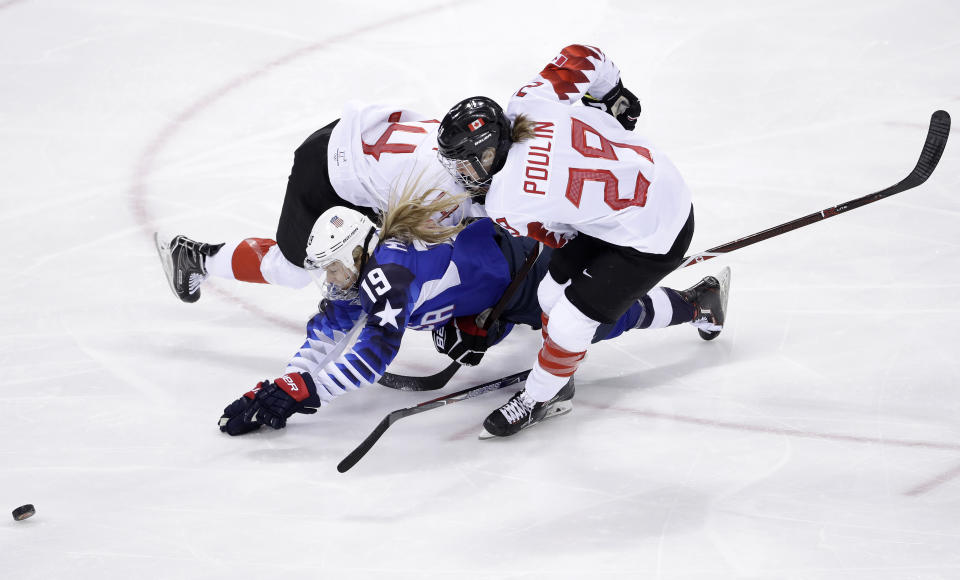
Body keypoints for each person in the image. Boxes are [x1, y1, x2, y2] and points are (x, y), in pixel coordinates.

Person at [217, 192, 729, 437]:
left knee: (596, 320)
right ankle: (495, 326)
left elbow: (375, 351)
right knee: (454, 340)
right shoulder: (366, 263)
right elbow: (330, 325)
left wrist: (311, 390)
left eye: (332, 267)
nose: (329, 279)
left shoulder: (388, 274)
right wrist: (288, 381)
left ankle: (695, 302)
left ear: (355, 252)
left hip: (524, 272)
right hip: (489, 286)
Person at [435, 44, 714, 437]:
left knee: (569, 322)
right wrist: (614, 93)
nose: (462, 174)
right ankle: (558, 367)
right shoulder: (527, 103)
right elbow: (583, 55)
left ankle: (543, 396)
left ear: (489, 150)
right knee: (550, 294)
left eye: (465, 163)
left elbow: (557, 237)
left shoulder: (505, 201)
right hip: (657, 178)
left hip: (656, 232)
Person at [154, 103, 481, 302]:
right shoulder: (440, 189)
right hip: (327, 176)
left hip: (352, 150)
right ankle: (193, 257)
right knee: (296, 269)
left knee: (370, 254)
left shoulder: (461, 156)